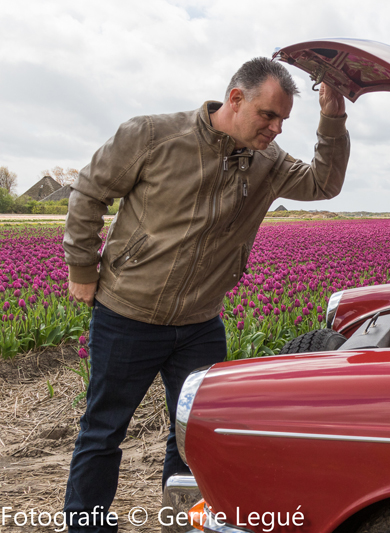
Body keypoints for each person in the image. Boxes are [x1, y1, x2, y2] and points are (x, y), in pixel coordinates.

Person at [62, 57, 349, 531]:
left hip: (200, 323)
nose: (277, 129)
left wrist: (333, 118)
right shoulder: (152, 136)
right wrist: (81, 267)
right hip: (128, 313)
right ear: (235, 98)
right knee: (103, 430)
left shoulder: (269, 162)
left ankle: (187, 523)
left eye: (283, 119)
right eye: (268, 115)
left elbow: (324, 182)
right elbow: (89, 192)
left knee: (194, 435)